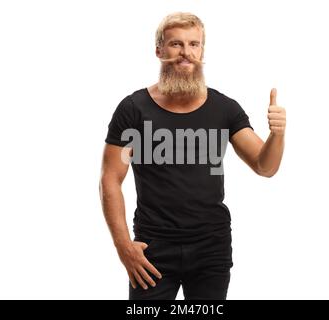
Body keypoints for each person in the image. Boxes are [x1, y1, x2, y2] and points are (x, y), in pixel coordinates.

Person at [99, 12, 286, 300]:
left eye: (194, 44)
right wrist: (123, 245)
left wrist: (277, 134)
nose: (185, 53)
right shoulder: (133, 109)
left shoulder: (225, 109)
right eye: (176, 44)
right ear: (159, 51)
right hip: (153, 249)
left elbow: (265, 166)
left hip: (211, 247)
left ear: (202, 51)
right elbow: (110, 179)